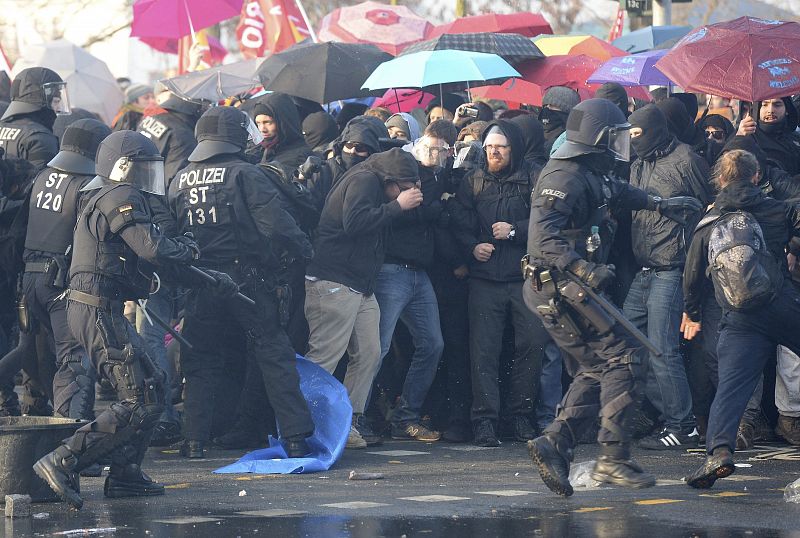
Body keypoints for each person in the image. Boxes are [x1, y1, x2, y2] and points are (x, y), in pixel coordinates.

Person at [32, 130, 228, 510]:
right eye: (141, 168)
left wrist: (210, 280)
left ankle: (125, 474)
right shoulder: (119, 195)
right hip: (98, 309)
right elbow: (153, 247)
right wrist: (190, 249)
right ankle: (63, 460)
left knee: (152, 387)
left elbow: (149, 258)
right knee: (138, 398)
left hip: (99, 307)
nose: (146, 176)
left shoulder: (108, 195)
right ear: (121, 167)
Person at [523, 99, 702, 496]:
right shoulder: (564, 177)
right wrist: (584, 268)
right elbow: (542, 238)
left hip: (570, 285)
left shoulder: (593, 171)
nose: (623, 145)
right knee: (625, 356)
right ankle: (611, 460)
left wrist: (660, 203)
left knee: (599, 366)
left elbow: (619, 192)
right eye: (617, 137)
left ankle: (555, 442)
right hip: (559, 285)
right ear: (598, 138)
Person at [168, 106, 316, 459]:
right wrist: (304, 250)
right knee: (274, 353)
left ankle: (194, 441)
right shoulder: (245, 174)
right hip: (247, 281)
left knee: (201, 361)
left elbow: (170, 232)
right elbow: (276, 226)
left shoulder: (180, 178)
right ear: (235, 136)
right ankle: (295, 438)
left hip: (201, 280)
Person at [682, 149, 800, 489]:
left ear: (719, 179)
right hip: (781, 303)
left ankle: (718, 452)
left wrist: (691, 313)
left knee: (731, 389)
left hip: (737, 315)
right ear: (756, 176)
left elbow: (692, 277)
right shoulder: (777, 209)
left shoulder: (708, 222)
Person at [304, 147, 423, 448]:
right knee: (324, 357)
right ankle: (300, 424)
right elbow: (354, 222)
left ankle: (348, 423)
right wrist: (397, 206)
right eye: (406, 188)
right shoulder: (364, 180)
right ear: (392, 180)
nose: (410, 193)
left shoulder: (374, 181)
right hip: (335, 280)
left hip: (358, 284)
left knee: (370, 353)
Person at [450, 119, 551, 447]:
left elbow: (548, 219)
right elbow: (459, 221)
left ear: (515, 149)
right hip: (485, 279)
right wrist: (471, 247)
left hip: (525, 277)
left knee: (532, 346)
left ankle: (520, 416)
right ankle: (484, 421)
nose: (493, 152)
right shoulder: (473, 180)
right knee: (484, 350)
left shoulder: (535, 176)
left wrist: (515, 231)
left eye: (501, 147)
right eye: (489, 146)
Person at [622, 105, 712, 451]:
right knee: (627, 339)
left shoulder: (686, 159)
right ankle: (665, 413)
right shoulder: (638, 163)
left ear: (654, 130)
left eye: (637, 133)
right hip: (644, 267)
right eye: (629, 134)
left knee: (662, 349)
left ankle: (682, 424)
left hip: (673, 266)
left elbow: (708, 209)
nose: (633, 140)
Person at [20, 119, 112, 421]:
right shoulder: (87, 184)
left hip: (31, 280)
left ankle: (51, 429)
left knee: (45, 357)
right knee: (74, 360)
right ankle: (68, 439)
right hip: (61, 284)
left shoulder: (43, 175)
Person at [373, 122, 455, 442]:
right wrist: (437, 205)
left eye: (440, 149)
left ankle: (405, 415)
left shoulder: (437, 177)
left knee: (432, 344)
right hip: (393, 270)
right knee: (376, 348)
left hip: (418, 272)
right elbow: (410, 210)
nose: (433, 155)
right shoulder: (408, 170)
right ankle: (359, 415)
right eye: (429, 147)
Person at [0, 67, 64, 170]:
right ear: (43, 101)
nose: (58, 108)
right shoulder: (40, 138)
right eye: (56, 101)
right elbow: (40, 183)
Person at [247, 92, 314, 177]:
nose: (262, 129)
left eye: (267, 122)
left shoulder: (299, 156)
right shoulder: (261, 150)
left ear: (283, 122)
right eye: (258, 123)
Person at [734, 97, 800, 175]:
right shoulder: (748, 137)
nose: (770, 110)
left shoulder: (795, 138)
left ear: (787, 110)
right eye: (765, 105)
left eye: (777, 105)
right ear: (758, 109)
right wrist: (739, 139)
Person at [539, 86, 581, 155]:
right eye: (545, 106)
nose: (547, 109)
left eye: (552, 105)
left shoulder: (573, 141)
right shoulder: (535, 133)